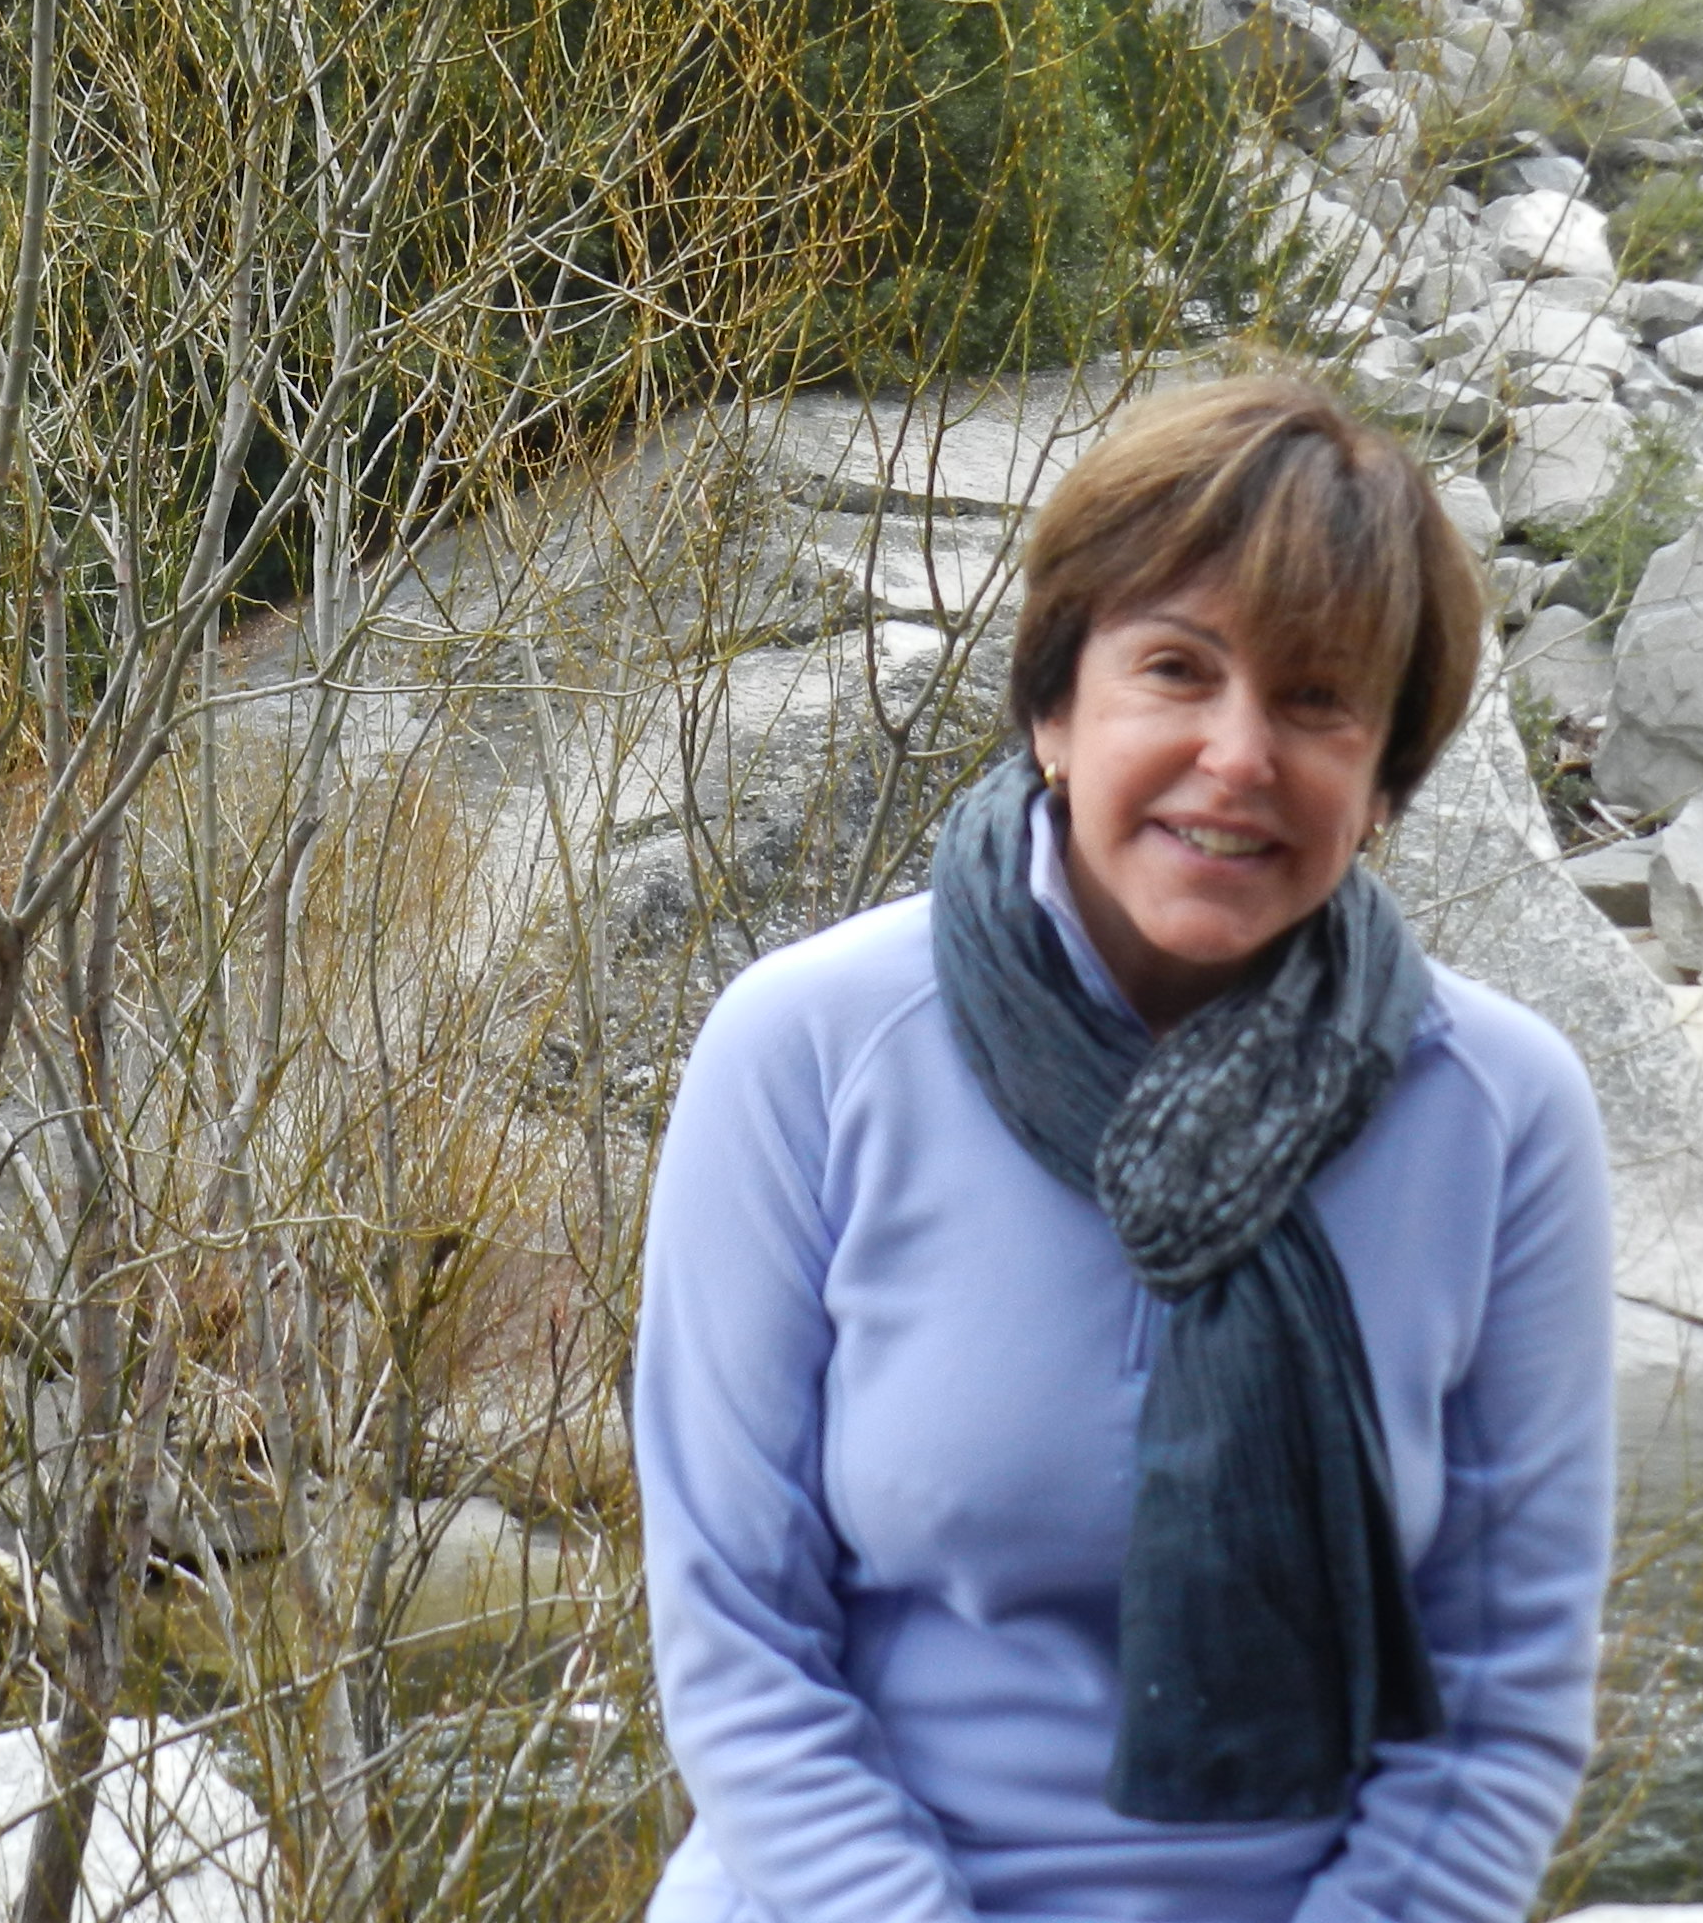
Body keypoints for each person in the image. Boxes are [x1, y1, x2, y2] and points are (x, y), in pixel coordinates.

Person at [634, 374, 1614, 1923]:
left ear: (1386, 781)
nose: (1239, 755)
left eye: (1317, 700)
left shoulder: (1495, 1111)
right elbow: (737, 1642)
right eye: (1176, 669)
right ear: (1055, 707)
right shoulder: (811, 1049)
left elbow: (1503, 1692)